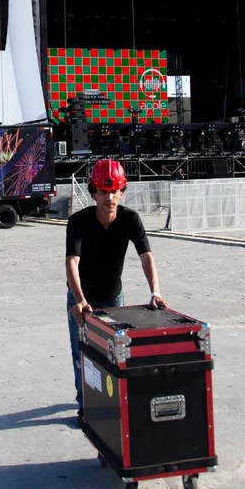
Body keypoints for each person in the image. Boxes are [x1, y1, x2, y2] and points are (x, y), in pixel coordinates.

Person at [65, 159, 167, 425]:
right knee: (82, 353)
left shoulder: (130, 219)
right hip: (82, 301)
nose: (109, 197)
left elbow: (146, 255)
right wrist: (79, 300)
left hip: (113, 299)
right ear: (93, 192)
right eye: (102, 191)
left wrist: (155, 292)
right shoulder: (78, 221)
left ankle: (114, 400)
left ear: (122, 191)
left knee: (115, 353)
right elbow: (71, 262)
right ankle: (85, 405)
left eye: (114, 191)